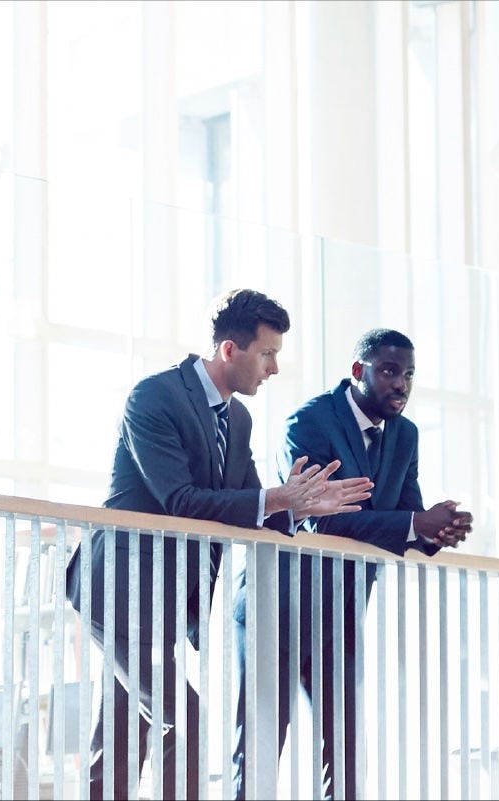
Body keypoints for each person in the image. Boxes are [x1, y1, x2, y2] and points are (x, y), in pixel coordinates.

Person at [64, 289, 374, 800]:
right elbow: (182, 500)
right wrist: (276, 498)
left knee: (120, 738)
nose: (273, 369)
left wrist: (298, 509)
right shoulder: (155, 397)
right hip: (120, 588)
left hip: (163, 602)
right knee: (182, 718)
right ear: (231, 350)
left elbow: (248, 505)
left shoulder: (239, 419)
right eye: (268, 353)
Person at [230, 329, 471, 800]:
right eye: (388, 371)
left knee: (343, 748)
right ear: (358, 371)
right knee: (261, 745)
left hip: (341, 612)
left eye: (408, 375)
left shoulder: (405, 435)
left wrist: (434, 533)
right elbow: (320, 522)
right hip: (278, 604)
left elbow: (402, 515)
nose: (400, 384)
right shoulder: (311, 422)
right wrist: (414, 522)